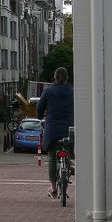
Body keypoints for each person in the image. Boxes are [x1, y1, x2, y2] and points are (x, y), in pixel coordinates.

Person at [37, 67, 74, 199]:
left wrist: (40, 116)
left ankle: (53, 189)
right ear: (67, 77)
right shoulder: (72, 91)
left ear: (55, 77)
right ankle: (68, 166)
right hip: (69, 128)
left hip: (52, 129)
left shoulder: (48, 91)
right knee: (68, 152)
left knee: (52, 158)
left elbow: (40, 107)